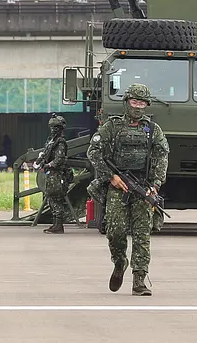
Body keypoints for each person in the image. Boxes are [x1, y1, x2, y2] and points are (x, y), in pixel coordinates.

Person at [87, 82, 169, 296]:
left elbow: (162, 157)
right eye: (134, 101)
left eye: (142, 103)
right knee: (115, 231)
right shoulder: (112, 127)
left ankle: (139, 280)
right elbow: (94, 152)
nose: (138, 106)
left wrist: (155, 185)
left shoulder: (153, 130)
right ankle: (119, 261)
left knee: (142, 235)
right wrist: (110, 176)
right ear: (126, 102)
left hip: (143, 188)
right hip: (118, 187)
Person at [38, 115, 72, 233]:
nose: (53, 130)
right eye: (52, 127)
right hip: (51, 174)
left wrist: (48, 165)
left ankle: (59, 225)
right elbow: (46, 154)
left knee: (56, 198)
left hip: (57, 174)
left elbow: (59, 159)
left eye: (55, 127)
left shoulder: (60, 142)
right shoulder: (51, 141)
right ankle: (55, 224)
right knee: (51, 198)